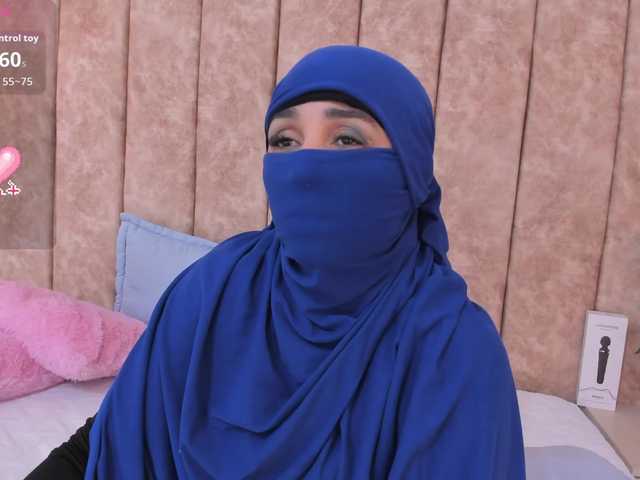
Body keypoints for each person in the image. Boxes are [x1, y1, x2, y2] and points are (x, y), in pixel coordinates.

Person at [27, 44, 525, 479]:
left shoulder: (453, 350)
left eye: (347, 139)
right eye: (285, 140)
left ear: (410, 170)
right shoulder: (217, 286)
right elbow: (107, 442)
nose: (306, 167)